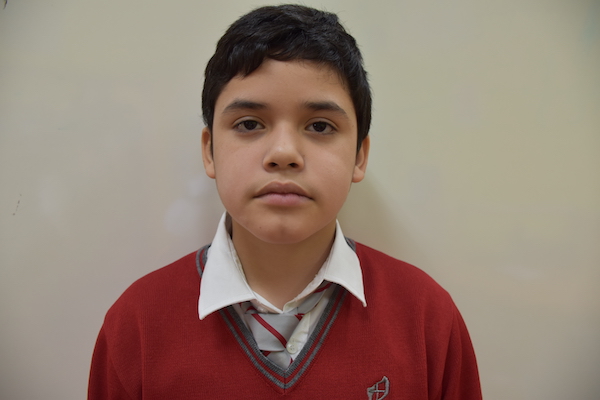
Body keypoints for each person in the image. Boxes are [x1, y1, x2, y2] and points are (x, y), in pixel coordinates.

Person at [88, 4, 482, 399]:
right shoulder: (136, 326)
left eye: (320, 126)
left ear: (359, 157)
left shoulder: (427, 319)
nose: (283, 153)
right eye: (249, 124)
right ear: (209, 152)